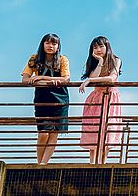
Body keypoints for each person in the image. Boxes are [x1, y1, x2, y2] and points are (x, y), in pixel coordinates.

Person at [21, 33, 70, 164]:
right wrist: (40, 79)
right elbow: (25, 79)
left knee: (54, 134)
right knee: (43, 132)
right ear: (42, 44)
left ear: (58, 46)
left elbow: (66, 79)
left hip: (60, 99)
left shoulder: (62, 59)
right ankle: (39, 163)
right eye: (48, 43)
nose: (50, 46)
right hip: (42, 98)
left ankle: (44, 164)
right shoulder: (34, 59)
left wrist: (42, 78)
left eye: (54, 44)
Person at [78, 36, 123, 164]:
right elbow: (93, 75)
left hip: (110, 98)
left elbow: (112, 78)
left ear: (107, 47)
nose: (98, 49)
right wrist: (99, 62)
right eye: (95, 47)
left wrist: (90, 80)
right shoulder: (94, 62)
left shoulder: (115, 60)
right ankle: (92, 164)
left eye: (101, 46)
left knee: (107, 131)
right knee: (94, 130)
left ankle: (102, 163)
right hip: (96, 98)